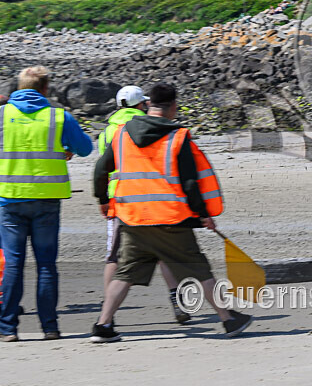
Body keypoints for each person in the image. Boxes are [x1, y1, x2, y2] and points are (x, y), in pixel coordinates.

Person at [91, 83, 252, 343]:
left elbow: (101, 170)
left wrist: (102, 200)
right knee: (199, 268)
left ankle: (103, 325)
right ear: (173, 107)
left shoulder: (121, 134)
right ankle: (229, 319)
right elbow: (190, 183)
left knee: (125, 273)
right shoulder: (178, 136)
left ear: (149, 104)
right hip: (169, 218)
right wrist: (203, 214)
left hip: (132, 216)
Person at [0, 66, 93, 342]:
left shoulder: (3, 115)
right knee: (46, 265)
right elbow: (86, 148)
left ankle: (7, 329)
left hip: (10, 198)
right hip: (46, 200)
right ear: (45, 89)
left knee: (14, 264)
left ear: (18, 88)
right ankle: (49, 327)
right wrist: (65, 150)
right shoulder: (58, 117)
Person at [98, 86, 189, 324]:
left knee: (114, 258)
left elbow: (103, 166)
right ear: (142, 105)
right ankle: (177, 301)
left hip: (119, 200)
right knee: (164, 254)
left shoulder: (108, 131)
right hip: (153, 196)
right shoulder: (150, 125)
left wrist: (103, 199)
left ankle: (108, 313)